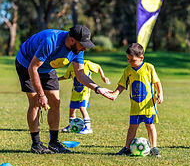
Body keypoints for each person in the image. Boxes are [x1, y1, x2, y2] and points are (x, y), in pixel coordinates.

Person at [15, 25, 114, 154]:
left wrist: (98, 89)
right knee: (35, 102)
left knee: (55, 101)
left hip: (48, 68)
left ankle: (54, 142)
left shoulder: (78, 49)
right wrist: (41, 95)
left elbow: (80, 74)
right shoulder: (50, 41)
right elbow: (33, 68)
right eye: (82, 44)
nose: (84, 48)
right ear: (72, 40)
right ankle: (36, 144)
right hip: (27, 64)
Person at [110, 43, 163, 157]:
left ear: (141, 58)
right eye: (128, 59)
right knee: (132, 127)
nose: (129, 62)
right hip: (135, 106)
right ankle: (127, 148)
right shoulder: (128, 70)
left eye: (132, 60)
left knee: (150, 126)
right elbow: (122, 85)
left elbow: (157, 82)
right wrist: (115, 93)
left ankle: (154, 148)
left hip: (148, 106)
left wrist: (160, 93)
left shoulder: (149, 67)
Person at [58, 60, 110, 134]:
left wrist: (103, 77)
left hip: (85, 91)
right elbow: (66, 76)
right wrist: (57, 79)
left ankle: (88, 128)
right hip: (75, 91)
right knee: (72, 109)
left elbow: (98, 67)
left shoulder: (87, 63)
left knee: (82, 108)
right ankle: (71, 125)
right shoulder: (71, 65)